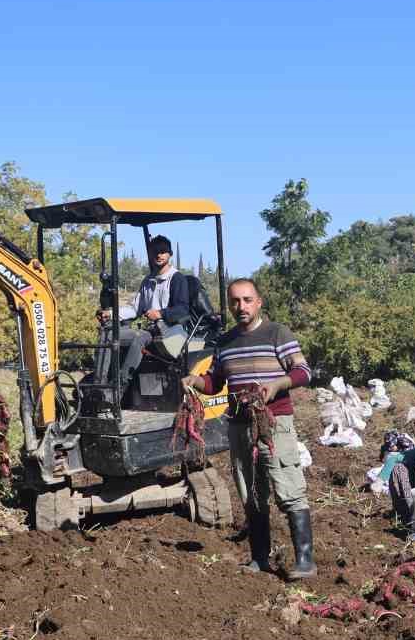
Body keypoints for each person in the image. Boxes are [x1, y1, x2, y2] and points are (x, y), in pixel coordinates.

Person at [183, 278, 315, 578]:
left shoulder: (277, 333)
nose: (240, 307)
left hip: (273, 423)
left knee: (288, 487)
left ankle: (305, 561)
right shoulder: (225, 342)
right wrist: (195, 381)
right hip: (240, 425)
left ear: (258, 302)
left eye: (246, 300)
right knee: (251, 491)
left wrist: (277, 384)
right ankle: (259, 558)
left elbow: (303, 370)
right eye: (234, 302)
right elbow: (215, 382)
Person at [101, 235, 206, 397]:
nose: (159, 255)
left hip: (171, 332)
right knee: (108, 334)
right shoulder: (148, 281)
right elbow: (135, 309)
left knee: (139, 338)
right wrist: (111, 314)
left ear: (169, 254)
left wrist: (161, 313)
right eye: (155, 252)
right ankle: (99, 384)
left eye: (163, 251)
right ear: (150, 254)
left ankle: (119, 389)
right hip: (151, 331)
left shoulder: (177, 279)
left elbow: (182, 310)